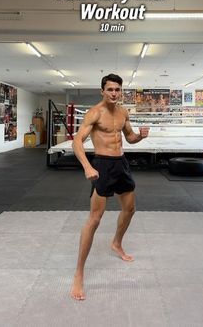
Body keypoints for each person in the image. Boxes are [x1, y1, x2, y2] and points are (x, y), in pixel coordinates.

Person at [70, 73, 149, 300]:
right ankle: (79, 274)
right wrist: (87, 166)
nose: (114, 93)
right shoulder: (95, 113)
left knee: (130, 209)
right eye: (110, 89)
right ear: (102, 91)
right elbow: (77, 141)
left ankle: (116, 243)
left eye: (117, 89)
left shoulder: (123, 112)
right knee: (95, 219)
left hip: (121, 164)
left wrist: (140, 137)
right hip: (102, 165)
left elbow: (130, 137)